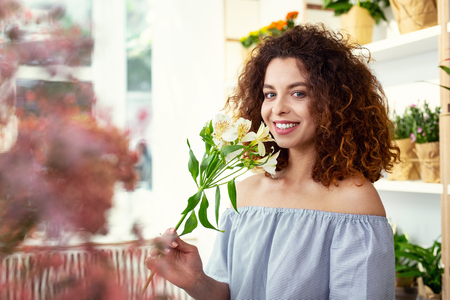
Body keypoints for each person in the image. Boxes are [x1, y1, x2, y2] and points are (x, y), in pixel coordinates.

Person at [146, 24, 399, 299]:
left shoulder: (355, 202)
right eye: (270, 94)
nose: (277, 108)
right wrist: (195, 281)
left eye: (298, 93)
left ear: (334, 103)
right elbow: (230, 293)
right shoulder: (244, 193)